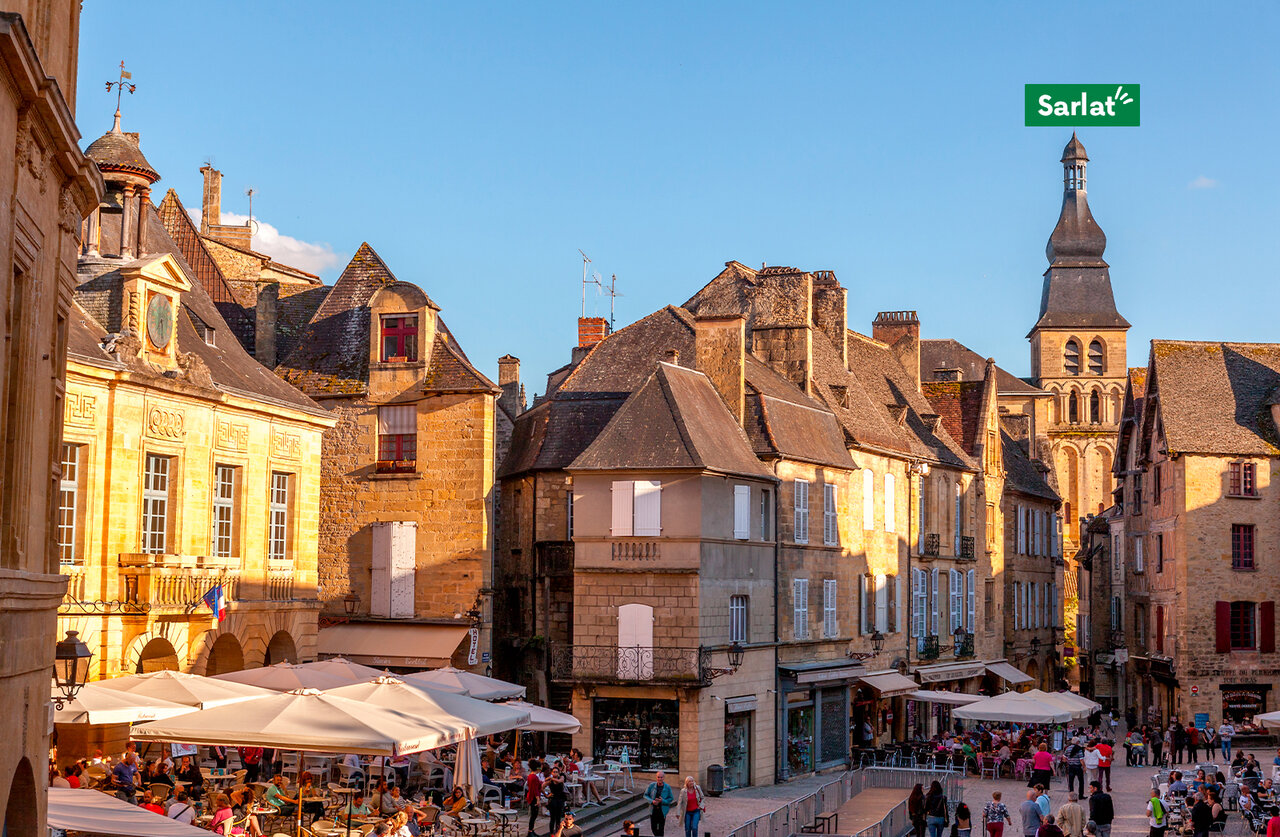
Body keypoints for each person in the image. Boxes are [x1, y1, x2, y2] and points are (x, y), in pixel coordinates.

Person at [644, 771, 675, 837]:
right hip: (653, 810)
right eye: (658, 777)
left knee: (661, 828)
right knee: (653, 828)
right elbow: (645, 795)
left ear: (663, 778)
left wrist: (662, 801)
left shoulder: (667, 787)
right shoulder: (652, 786)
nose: (660, 779)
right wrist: (652, 801)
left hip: (662, 810)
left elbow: (671, 798)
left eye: (661, 777)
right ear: (656, 777)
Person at [544, 766, 568, 835]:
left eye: (556, 772)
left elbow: (561, 781)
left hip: (560, 799)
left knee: (558, 818)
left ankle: (558, 833)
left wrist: (551, 778)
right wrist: (546, 795)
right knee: (552, 818)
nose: (555, 773)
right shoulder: (550, 781)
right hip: (553, 800)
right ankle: (552, 834)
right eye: (554, 772)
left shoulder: (561, 777)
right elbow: (542, 787)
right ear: (552, 772)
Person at [525, 758, 544, 836]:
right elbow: (535, 789)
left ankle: (532, 830)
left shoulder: (531, 776)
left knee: (534, 815)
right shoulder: (534, 777)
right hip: (533, 797)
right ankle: (530, 831)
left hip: (531, 796)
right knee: (534, 815)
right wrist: (538, 799)